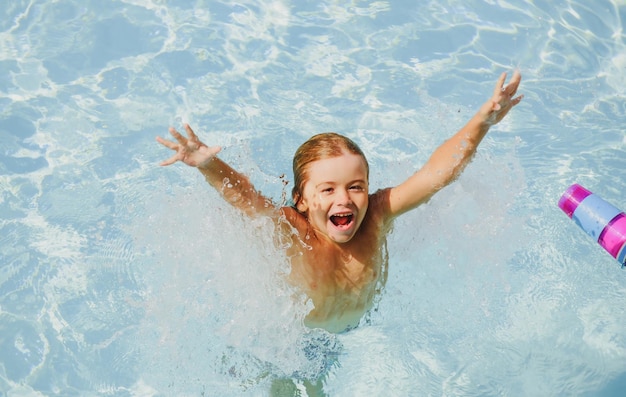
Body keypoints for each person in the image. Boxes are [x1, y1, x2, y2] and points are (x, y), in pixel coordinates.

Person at [156, 71, 523, 334]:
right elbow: (250, 203)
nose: (344, 199)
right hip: (298, 340)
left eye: (356, 186)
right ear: (301, 200)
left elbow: (433, 176)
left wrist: (481, 122)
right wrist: (208, 164)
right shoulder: (295, 230)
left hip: (354, 330)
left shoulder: (378, 214)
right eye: (327, 189)